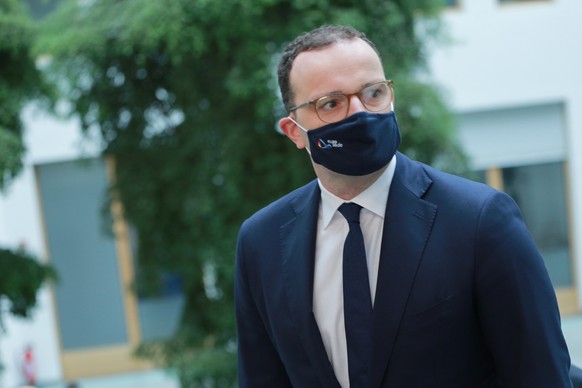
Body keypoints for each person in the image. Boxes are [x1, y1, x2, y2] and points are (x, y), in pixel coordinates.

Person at [234, 25, 573, 387]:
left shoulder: (480, 220)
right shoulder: (261, 241)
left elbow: (540, 374)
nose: (359, 113)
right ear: (294, 131)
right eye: (331, 104)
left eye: (373, 93)